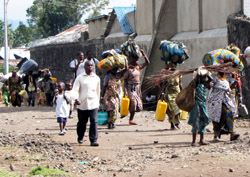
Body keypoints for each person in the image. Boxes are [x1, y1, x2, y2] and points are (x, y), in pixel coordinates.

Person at [72, 60, 100, 146]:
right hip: (82, 104)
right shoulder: (80, 78)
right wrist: (76, 99)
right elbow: (75, 90)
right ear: (84, 67)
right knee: (82, 123)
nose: (90, 67)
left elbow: (98, 91)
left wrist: (98, 103)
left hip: (93, 103)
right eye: (88, 66)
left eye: (91, 65)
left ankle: (93, 140)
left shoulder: (96, 78)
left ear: (93, 67)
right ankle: (80, 136)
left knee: (94, 121)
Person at [207, 72, 240, 142]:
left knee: (229, 114)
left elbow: (228, 90)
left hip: (225, 101)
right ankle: (216, 136)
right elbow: (209, 86)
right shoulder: (215, 80)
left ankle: (231, 133)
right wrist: (208, 76)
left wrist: (234, 83)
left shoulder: (226, 81)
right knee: (216, 117)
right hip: (215, 101)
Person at [124, 49, 150, 125]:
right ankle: (130, 119)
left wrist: (144, 54)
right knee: (134, 102)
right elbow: (125, 81)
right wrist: (125, 90)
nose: (137, 62)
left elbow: (147, 62)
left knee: (138, 104)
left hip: (137, 88)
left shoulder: (137, 68)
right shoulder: (128, 70)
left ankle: (130, 115)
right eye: (136, 60)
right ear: (132, 61)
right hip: (130, 87)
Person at [188, 68, 212, 146]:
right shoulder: (196, 84)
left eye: (205, 77)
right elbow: (198, 76)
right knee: (196, 121)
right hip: (196, 105)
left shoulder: (205, 84)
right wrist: (199, 70)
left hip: (203, 104)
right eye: (203, 77)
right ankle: (193, 141)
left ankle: (201, 140)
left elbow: (210, 84)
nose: (204, 79)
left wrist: (207, 74)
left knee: (203, 121)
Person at [101, 62, 128, 129]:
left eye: (116, 68)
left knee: (114, 109)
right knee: (109, 109)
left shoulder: (119, 75)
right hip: (108, 96)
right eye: (114, 68)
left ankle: (112, 122)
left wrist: (125, 61)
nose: (115, 70)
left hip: (116, 96)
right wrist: (102, 96)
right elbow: (104, 86)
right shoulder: (107, 76)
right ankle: (110, 122)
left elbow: (126, 69)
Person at [160, 62, 182, 130]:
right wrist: (162, 94)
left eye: (174, 64)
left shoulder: (178, 73)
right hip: (169, 93)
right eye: (171, 64)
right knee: (170, 110)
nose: (172, 65)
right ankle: (172, 124)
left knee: (178, 109)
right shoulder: (166, 73)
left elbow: (180, 83)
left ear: (176, 65)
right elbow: (164, 84)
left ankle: (177, 123)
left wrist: (183, 92)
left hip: (177, 92)